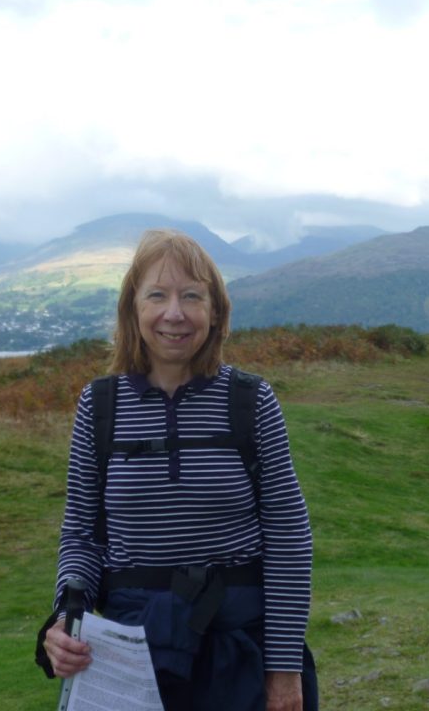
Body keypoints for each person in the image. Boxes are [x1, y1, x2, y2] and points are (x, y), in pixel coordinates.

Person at [36, 229, 317, 711]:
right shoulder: (99, 406)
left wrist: (284, 668)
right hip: (129, 654)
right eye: (157, 296)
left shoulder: (251, 401)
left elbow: (288, 537)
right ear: (133, 309)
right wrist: (67, 618)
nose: (174, 313)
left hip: (241, 654)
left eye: (191, 296)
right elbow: (82, 534)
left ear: (216, 311)